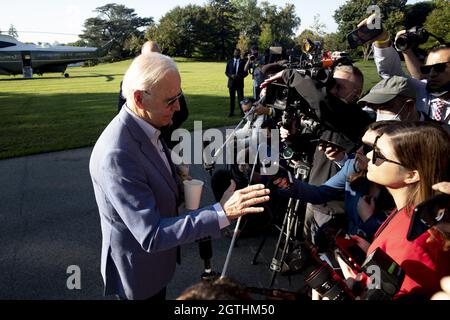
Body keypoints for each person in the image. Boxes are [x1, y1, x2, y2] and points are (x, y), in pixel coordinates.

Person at [89, 52, 270, 300]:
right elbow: (151, 235)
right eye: (170, 100)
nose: (178, 107)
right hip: (140, 275)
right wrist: (222, 212)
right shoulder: (117, 154)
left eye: (179, 96)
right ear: (139, 99)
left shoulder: (148, 122)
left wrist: (175, 178)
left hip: (158, 265)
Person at [264, 64, 373, 247]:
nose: (332, 91)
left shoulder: (356, 117)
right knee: (310, 245)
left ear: (356, 93)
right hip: (314, 194)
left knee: (330, 255)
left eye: (339, 87)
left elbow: (323, 102)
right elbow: (310, 150)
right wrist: (292, 138)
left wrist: (291, 75)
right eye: (331, 85)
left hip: (336, 205)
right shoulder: (329, 117)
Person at [346, 122, 450, 299]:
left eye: (379, 155)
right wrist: (373, 254)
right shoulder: (410, 212)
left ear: (411, 175)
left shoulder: (413, 240)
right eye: (373, 149)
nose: (369, 155)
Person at [274, 121, 396, 242]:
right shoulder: (353, 166)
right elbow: (320, 193)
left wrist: (369, 220)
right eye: (360, 144)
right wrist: (283, 180)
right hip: (348, 247)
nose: (359, 151)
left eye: (367, 148)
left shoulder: (398, 188)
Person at [358, 15, 450, 124]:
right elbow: (391, 75)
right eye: (427, 69)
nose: (431, 74)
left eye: (439, 67)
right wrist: (382, 40)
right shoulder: (419, 90)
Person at [117, 40, 189, 148]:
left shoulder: (168, 80)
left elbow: (182, 112)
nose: (154, 63)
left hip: (169, 143)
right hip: (143, 145)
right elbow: (123, 115)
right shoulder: (130, 83)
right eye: (149, 58)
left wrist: (165, 123)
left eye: (157, 57)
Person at [225, 48, 248, 117]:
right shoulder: (229, 61)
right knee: (232, 99)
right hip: (231, 83)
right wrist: (231, 76)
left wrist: (239, 76)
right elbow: (226, 72)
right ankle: (231, 112)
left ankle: (242, 112)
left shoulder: (243, 62)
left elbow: (246, 73)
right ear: (233, 53)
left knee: (241, 99)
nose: (236, 54)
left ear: (239, 54)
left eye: (238, 53)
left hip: (239, 83)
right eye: (235, 53)